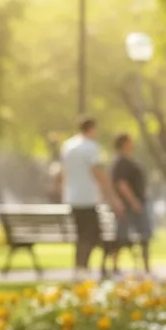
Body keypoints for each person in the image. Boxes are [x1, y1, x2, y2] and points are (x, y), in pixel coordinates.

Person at [60, 116, 121, 278]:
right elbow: (97, 172)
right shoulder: (91, 147)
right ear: (91, 129)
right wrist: (111, 194)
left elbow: (64, 171)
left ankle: (80, 267)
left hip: (72, 197)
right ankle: (89, 268)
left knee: (82, 234)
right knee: (94, 235)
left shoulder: (68, 146)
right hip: (87, 198)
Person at [110, 132, 152, 275]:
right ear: (124, 144)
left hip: (135, 203)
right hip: (130, 205)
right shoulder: (121, 162)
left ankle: (146, 266)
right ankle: (116, 266)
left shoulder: (127, 161)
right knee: (123, 236)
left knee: (142, 235)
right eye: (130, 142)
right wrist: (134, 202)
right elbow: (122, 184)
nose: (133, 145)